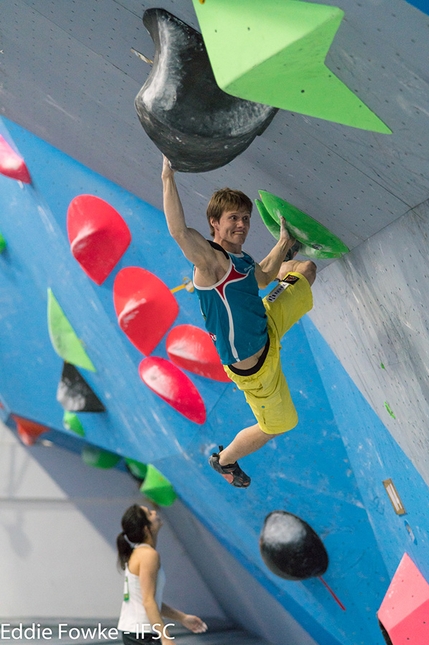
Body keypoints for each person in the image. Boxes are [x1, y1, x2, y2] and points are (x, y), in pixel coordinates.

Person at [161, 156, 316, 488]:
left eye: (245, 218)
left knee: (304, 271)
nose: (242, 224)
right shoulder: (211, 263)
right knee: (279, 424)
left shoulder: (240, 257)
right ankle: (226, 460)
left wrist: (283, 242)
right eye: (234, 218)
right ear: (214, 223)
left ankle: (292, 260)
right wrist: (167, 175)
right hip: (257, 371)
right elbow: (178, 230)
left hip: (266, 319)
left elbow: (261, 277)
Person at [117, 504, 208, 644]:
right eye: (149, 513)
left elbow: (151, 601)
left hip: (136, 632)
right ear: (147, 528)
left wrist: (182, 618)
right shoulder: (148, 555)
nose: (154, 512)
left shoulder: (140, 552)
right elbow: (148, 601)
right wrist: (165, 637)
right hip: (142, 634)